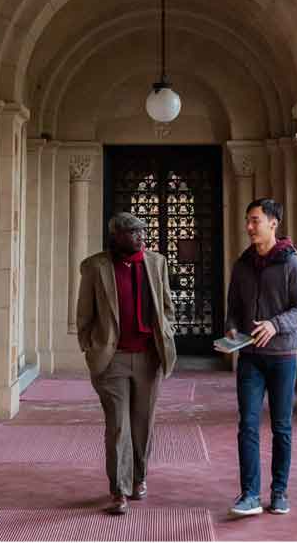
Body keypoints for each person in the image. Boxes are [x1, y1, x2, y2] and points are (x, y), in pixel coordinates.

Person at [75, 212, 179, 515]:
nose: (140, 236)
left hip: (148, 358)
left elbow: (167, 307)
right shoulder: (95, 266)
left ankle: (139, 477)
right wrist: (90, 348)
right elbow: (84, 315)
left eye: (142, 231)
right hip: (113, 359)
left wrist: (166, 333)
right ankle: (118, 489)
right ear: (116, 235)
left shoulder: (156, 263)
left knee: (143, 423)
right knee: (118, 426)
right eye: (133, 232)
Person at [223, 198, 297, 517]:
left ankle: (279, 491)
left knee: (281, 427)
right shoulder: (242, 265)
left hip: (283, 356)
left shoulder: (292, 265)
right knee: (247, 424)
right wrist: (232, 331)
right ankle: (249, 494)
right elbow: (233, 309)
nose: (249, 227)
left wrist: (275, 325)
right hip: (249, 357)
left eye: (255, 220)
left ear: (273, 223)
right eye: (248, 220)